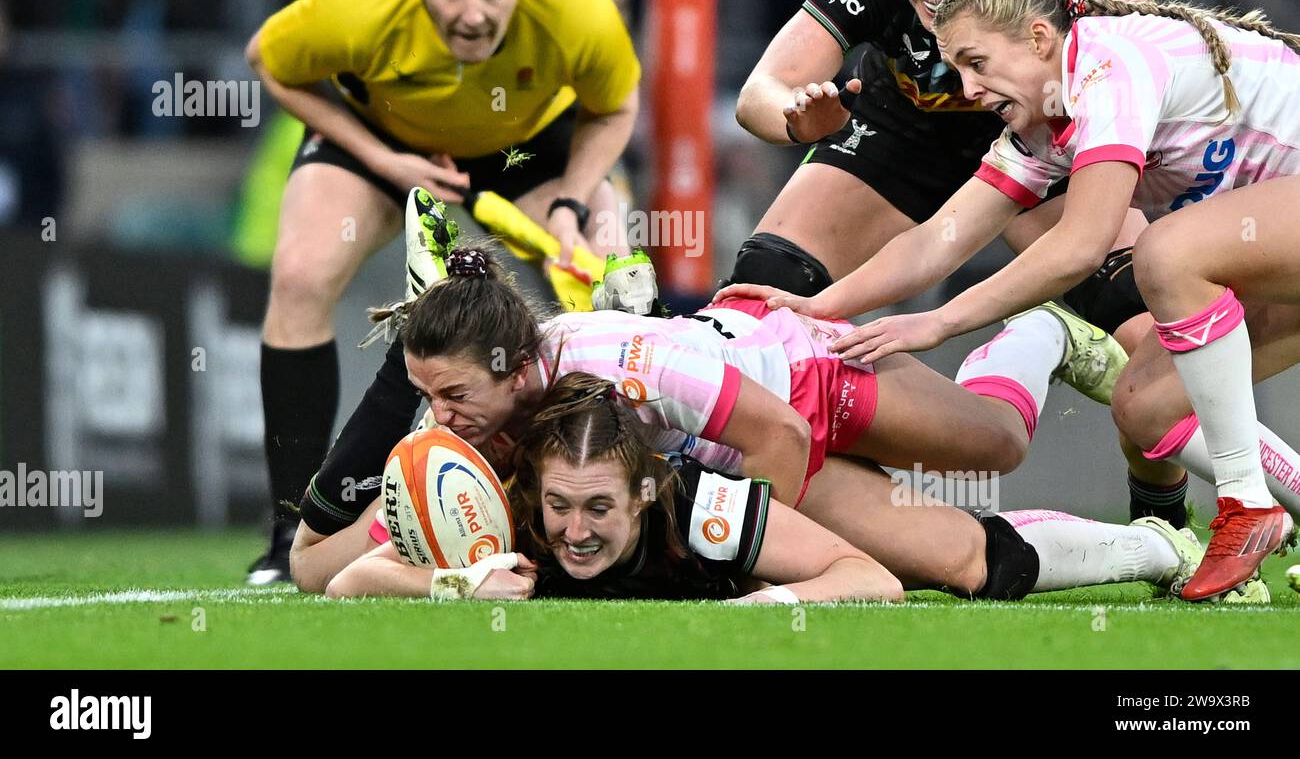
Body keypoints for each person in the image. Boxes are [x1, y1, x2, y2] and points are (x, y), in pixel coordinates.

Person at [729, 0, 1300, 599]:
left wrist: (938, 322)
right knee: (1145, 406)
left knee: (1165, 253)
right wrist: (816, 304)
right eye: (956, 68)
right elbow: (934, 242)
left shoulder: (1108, 68)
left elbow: (1081, 245)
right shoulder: (1038, 125)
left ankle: (1246, 503)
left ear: (1037, 38)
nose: (967, 89)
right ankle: (1262, 504)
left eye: (977, 62)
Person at [729, 0, 1248, 530]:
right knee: (764, 294)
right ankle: (860, 514)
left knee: (1157, 345)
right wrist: (796, 120)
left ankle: (1164, 519)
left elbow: (1155, 48)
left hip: (1037, 149)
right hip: (901, 139)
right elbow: (758, 92)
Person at [289, 223, 1128, 594]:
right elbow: (316, 572)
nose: (436, 418)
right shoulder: (468, 428)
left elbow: (781, 434)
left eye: (450, 395)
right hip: (727, 452)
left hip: (799, 384)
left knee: (1000, 445)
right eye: (423, 396)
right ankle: (1158, 549)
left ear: (514, 370)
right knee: (968, 567)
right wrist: (444, 575)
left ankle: (1037, 335)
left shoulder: (618, 363)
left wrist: (728, 565)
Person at [244, 0, 641, 582]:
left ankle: (628, 511)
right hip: (385, 140)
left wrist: (574, 202)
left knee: (612, 271)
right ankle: (288, 534)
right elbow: (268, 63)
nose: (472, 14)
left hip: (524, 147)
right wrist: (385, 161)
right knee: (301, 273)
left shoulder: (577, 4)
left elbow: (616, 105)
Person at [325, 372, 1250, 604]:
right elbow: (348, 580)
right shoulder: (519, 517)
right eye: (560, 506)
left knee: (969, 564)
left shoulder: (703, 513)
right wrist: (458, 581)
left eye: (597, 509)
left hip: (806, 426)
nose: (570, 531)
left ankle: (1154, 544)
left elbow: (869, 582)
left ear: (645, 495)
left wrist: (776, 604)